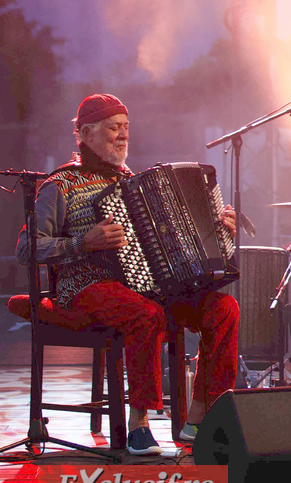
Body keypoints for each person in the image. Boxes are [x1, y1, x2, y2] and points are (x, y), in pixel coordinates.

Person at [16, 94, 240, 455]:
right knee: (145, 314)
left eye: (126, 128)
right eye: (113, 128)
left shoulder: (134, 181)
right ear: (85, 133)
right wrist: (82, 243)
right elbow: (27, 248)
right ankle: (140, 425)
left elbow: (173, 242)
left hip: (146, 286)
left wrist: (217, 230)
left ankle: (201, 419)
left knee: (224, 308)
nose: (122, 135)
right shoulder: (59, 185)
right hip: (86, 285)